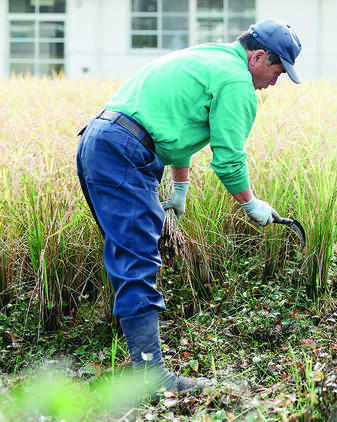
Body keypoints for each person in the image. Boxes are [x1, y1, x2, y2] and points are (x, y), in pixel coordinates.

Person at [76, 19, 302, 395]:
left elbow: (178, 125)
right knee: (137, 260)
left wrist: (180, 186)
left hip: (100, 140)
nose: (273, 83)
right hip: (124, 152)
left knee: (126, 252)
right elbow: (228, 159)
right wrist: (250, 204)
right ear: (258, 56)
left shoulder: (211, 56)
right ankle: (152, 378)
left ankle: (136, 361)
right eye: (276, 72)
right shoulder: (236, 82)